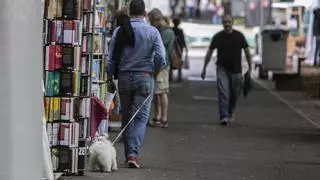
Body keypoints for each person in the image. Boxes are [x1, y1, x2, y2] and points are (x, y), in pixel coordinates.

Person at [106, 0, 166, 168]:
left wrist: (110, 76)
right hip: (145, 77)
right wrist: (154, 71)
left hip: (125, 78)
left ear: (130, 12)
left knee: (126, 116)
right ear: (144, 12)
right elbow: (162, 58)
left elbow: (111, 59)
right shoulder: (152, 32)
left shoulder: (119, 31)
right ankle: (133, 153)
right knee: (140, 117)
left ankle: (129, 153)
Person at [201, 14, 252, 126]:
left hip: (237, 71)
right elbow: (209, 52)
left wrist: (250, 67)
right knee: (224, 93)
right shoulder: (217, 37)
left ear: (232, 23)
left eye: (229, 22)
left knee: (234, 94)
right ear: (222, 23)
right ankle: (224, 116)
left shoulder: (239, 36)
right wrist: (204, 68)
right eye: (225, 22)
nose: (227, 24)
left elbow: (247, 52)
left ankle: (231, 111)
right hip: (222, 69)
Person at [148, 8, 175, 128]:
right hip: (160, 65)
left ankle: (163, 118)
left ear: (156, 19)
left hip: (162, 66)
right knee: (158, 92)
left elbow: (161, 51)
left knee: (162, 91)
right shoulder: (162, 30)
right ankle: (158, 116)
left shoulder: (166, 32)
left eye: (151, 21)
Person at [171, 17, 188, 82]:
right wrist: (185, 47)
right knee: (179, 61)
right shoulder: (180, 31)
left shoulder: (171, 30)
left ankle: (170, 76)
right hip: (179, 49)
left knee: (171, 61)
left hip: (172, 48)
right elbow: (183, 40)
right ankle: (179, 76)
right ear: (179, 23)